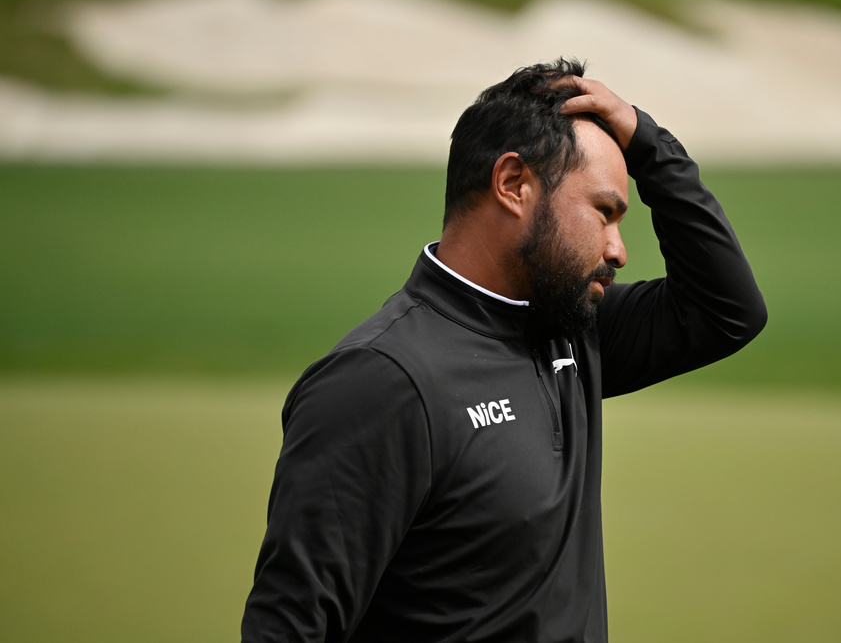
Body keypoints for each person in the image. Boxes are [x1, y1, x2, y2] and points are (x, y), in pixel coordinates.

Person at [241, 57, 767, 642]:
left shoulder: (571, 329)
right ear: (513, 184)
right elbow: (290, 630)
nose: (618, 249)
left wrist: (647, 143)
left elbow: (727, 310)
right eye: (604, 212)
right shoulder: (382, 381)